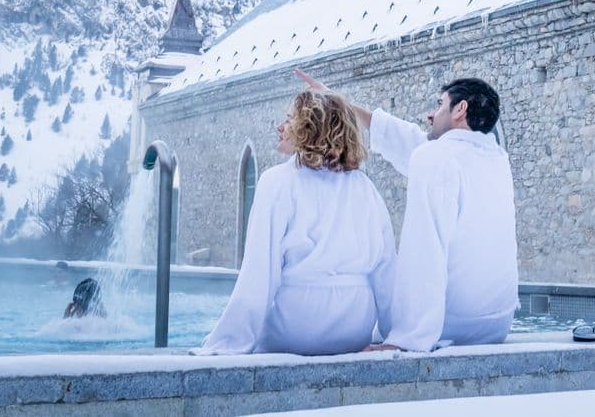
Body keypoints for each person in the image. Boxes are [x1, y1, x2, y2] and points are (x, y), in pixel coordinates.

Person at [297, 70, 518, 352]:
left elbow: (424, 252)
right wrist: (341, 103)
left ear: (460, 109)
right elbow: (408, 141)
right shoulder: (496, 159)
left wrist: (408, 338)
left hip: (449, 324)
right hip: (494, 326)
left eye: (439, 105)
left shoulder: (436, 157)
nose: (430, 114)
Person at [198, 90, 395, 355]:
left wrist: (230, 339)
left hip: (298, 325)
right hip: (354, 327)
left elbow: (259, 271)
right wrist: (396, 332)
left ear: (311, 128)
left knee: (257, 341)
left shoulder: (278, 181)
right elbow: (385, 269)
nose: (281, 127)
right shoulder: (364, 187)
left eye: (290, 120)